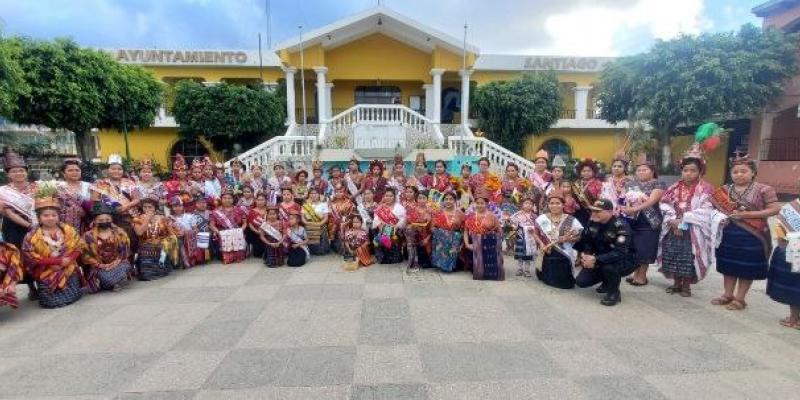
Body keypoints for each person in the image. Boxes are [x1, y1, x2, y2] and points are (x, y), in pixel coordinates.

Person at [711, 152, 780, 310]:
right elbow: (713, 208)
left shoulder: (764, 189)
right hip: (729, 233)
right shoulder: (724, 190)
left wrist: (748, 214)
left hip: (753, 235)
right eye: (735, 172)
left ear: (753, 172)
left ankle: (740, 299)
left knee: (746, 267)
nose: (739, 174)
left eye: (743, 171)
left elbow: (775, 209)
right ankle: (727, 294)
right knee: (728, 264)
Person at [659, 144, 715, 297]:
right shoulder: (673, 188)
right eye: (685, 170)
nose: (689, 174)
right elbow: (664, 203)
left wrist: (684, 220)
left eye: (693, 171)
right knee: (673, 255)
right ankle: (676, 284)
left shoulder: (706, 189)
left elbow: (707, 209)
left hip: (693, 229)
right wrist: (672, 220)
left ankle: (686, 286)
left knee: (689, 257)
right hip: (673, 228)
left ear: (700, 172)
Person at [22, 188, 84, 308]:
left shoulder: (68, 230)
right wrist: (56, 262)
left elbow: (79, 246)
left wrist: (67, 260)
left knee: (71, 294)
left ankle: (72, 292)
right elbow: (30, 256)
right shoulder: (32, 236)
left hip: (68, 267)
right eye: (46, 215)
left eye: (53, 215)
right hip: (46, 270)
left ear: (58, 216)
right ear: (39, 218)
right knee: (48, 302)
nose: (50, 218)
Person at [574, 199, 635, 306]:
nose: (594, 214)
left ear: (610, 212)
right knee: (581, 282)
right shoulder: (593, 221)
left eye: (598, 211)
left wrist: (595, 260)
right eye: (593, 211)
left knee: (609, 267)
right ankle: (607, 282)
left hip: (624, 259)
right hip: (600, 257)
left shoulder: (621, 226)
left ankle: (614, 292)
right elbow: (587, 241)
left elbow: (620, 252)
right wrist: (586, 255)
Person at [0, 149, 39, 299]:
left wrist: (36, 224)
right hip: (14, 228)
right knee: (20, 256)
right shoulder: (3, 191)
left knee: (38, 254)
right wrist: (29, 225)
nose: (18, 174)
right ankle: (31, 287)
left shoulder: (37, 187)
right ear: (8, 174)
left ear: (26, 172)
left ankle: (42, 283)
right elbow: (7, 212)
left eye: (21, 171)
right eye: (14, 171)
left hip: (37, 224)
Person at [623, 154, 666, 286]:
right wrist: (628, 208)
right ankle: (635, 274)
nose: (641, 172)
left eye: (645, 170)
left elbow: (652, 201)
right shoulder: (631, 184)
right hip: (633, 221)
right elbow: (626, 199)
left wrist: (635, 209)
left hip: (649, 221)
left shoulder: (658, 183)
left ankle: (642, 276)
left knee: (645, 249)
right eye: (639, 170)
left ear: (652, 171)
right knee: (634, 248)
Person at [91, 154, 141, 257]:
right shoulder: (100, 183)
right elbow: (94, 199)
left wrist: (126, 206)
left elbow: (137, 199)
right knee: (113, 242)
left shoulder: (129, 182)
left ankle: (130, 263)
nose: (116, 171)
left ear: (123, 171)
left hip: (128, 216)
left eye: (119, 169)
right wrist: (109, 207)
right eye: (113, 169)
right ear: (107, 170)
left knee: (130, 239)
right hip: (108, 217)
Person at [766, 181, 800, 329]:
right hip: (792, 251)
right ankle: (795, 316)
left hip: (792, 250)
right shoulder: (791, 208)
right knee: (793, 285)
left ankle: (795, 318)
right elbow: (780, 230)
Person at [534, 190, 583, 289]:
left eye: (557, 203)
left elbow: (579, 237)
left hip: (564, 253)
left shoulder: (571, 219)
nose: (554, 206)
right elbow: (535, 234)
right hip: (547, 252)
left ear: (563, 205)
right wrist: (541, 244)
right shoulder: (542, 218)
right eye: (551, 203)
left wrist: (568, 239)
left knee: (565, 283)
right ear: (548, 205)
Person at [82, 203, 132, 292]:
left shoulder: (120, 232)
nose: (104, 221)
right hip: (98, 266)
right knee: (105, 276)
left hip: (119, 263)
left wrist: (114, 263)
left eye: (107, 219)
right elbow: (86, 256)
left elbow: (125, 251)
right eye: (100, 220)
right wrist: (101, 265)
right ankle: (111, 283)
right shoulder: (88, 236)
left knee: (125, 267)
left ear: (111, 220)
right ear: (95, 221)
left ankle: (108, 283)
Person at [464, 187, 504, 281]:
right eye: (477, 203)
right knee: (476, 270)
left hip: (489, 245)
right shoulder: (471, 216)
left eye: (482, 203)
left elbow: (499, 231)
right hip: (475, 245)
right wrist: (467, 244)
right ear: (475, 204)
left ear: (486, 204)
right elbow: (466, 231)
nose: (479, 205)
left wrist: (497, 244)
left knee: (490, 270)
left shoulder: (492, 216)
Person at [133, 198, 178, 280]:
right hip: (145, 245)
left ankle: (163, 267)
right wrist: (147, 219)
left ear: (155, 208)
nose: (147, 209)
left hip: (161, 245)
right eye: (145, 207)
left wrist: (164, 242)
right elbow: (139, 232)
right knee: (147, 249)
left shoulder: (162, 218)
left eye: (150, 207)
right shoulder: (137, 219)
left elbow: (171, 234)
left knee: (164, 245)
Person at [209, 191, 248, 264]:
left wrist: (240, 231)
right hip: (222, 236)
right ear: (221, 199)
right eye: (224, 198)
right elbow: (212, 225)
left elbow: (245, 223)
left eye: (229, 198)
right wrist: (219, 233)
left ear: (233, 199)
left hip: (237, 234)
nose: (227, 200)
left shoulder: (239, 209)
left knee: (240, 254)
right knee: (220, 255)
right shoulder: (215, 212)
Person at [431, 191, 465, 273]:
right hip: (441, 241)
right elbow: (432, 227)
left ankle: (452, 264)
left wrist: (462, 244)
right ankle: (441, 263)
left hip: (455, 241)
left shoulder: (460, 213)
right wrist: (443, 233)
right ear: (443, 201)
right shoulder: (438, 213)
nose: (448, 201)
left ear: (455, 201)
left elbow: (464, 229)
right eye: (446, 199)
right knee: (443, 235)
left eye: (451, 199)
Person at [57, 158, 91, 233]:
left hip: (84, 224)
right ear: (63, 173)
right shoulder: (58, 187)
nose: (74, 172)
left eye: (77, 170)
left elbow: (93, 205)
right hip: (63, 224)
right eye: (70, 170)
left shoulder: (88, 186)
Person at [373, 188, 406, 264]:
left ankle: (395, 257)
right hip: (382, 229)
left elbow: (403, 220)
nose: (388, 198)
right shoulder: (380, 207)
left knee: (394, 237)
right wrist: (381, 227)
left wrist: (395, 227)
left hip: (395, 230)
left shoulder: (399, 208)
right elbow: (376, 219)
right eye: (386, 196)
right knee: (380, 237)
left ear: (394, 197)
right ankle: (382, 257)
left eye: (390, 196)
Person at [510, 196, 538, 277]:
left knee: (528, 254)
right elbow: (512, 223)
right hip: (521, 236)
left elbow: (537, 226)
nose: (528, 205)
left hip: (530, 237)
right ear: (522, 205)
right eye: (526, 203)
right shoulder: (518, 214)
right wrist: (514, 227)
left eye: (530, 204)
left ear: (533, 206)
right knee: (520, 254)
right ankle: (519, 269)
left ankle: (527, 270)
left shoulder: (534, 216)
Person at [169, 197, 200, 269]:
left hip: (190, 238)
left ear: (182, 206)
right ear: (172, 208)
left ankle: (186, 261)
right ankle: (181, 261)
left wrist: (186, 232)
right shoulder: (170, 218)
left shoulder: (190, 216)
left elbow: (196, 230)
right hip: (177, 237)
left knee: (180, 240)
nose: (177, 208)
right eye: (175, 206)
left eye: (179, 206)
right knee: (177, 240)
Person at [572, 158, 603, 226]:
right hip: (578, 211)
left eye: (589, 171)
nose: (586, 173)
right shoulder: (576, 183)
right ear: (580, 172)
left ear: (593, 172)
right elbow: (573, 197)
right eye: (584, 171)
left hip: (593, 211)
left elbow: (601, 197)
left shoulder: (598, 183)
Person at [405, 191, 432, 272]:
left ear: (427, 199)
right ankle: (412, 262)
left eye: (424, 198)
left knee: (426, 264)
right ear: (416, 199)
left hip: (427, 237)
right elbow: (407, 225)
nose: (421, 200)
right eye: (420, 198)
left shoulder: (431, 211)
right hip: (414, 237)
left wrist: (427, 238)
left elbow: (433, 227)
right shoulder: (412, 210)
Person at [600, 151, 632, 215]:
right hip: (610, 210)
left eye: (619, 166)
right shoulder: (607, 179)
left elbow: (632, 197)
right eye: (614, 166)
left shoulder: (629, 180)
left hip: (626, 210)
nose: (616, 168)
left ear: (625, 168)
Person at [302, 188, 330, 255]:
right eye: (311, 193)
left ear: (319, 195)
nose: (313, 195)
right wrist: (309, 224)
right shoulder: (305, 205)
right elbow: (302, 217)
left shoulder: (324, 204)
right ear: (309, 195)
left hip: (320, 225)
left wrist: (319, 224)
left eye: (315, 193)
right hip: (309, 226)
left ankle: (322, 250)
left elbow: (326, 218)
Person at [328, 183, 354, 253]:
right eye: (337, 192)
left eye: (341, 192)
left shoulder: (348, 202)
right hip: (334, 223)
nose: (338, 193)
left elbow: (350, 214)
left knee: (343, 226)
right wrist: (335, 221)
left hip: (345, 223)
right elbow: (330, 214)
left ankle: (347, 247)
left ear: (344, 192)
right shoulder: (331, 202)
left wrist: (344, 221)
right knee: (334, 227)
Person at [0, 238, 24, 309]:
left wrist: (12, 285)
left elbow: (16, 269)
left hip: (4, 281)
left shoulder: (10, 250)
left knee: (7, 291)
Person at [246, 193, 270, 258]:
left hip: (268, 233)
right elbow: (250, 224)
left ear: (266, 201)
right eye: (258, 200)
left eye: (262, 200)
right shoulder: (252, 211)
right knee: (257, 254)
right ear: (256, 201)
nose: (260, 202)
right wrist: (257, 232)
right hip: (256, 233)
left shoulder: (269, 210)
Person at [193, 195, 213, 264]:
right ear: (196, 204)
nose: (202, 205)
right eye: (199, 203)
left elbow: (213, 224)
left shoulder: (210, 213)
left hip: (210, 234)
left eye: (204, 203)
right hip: (198, 235)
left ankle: (208, 256)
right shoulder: (193, 214)